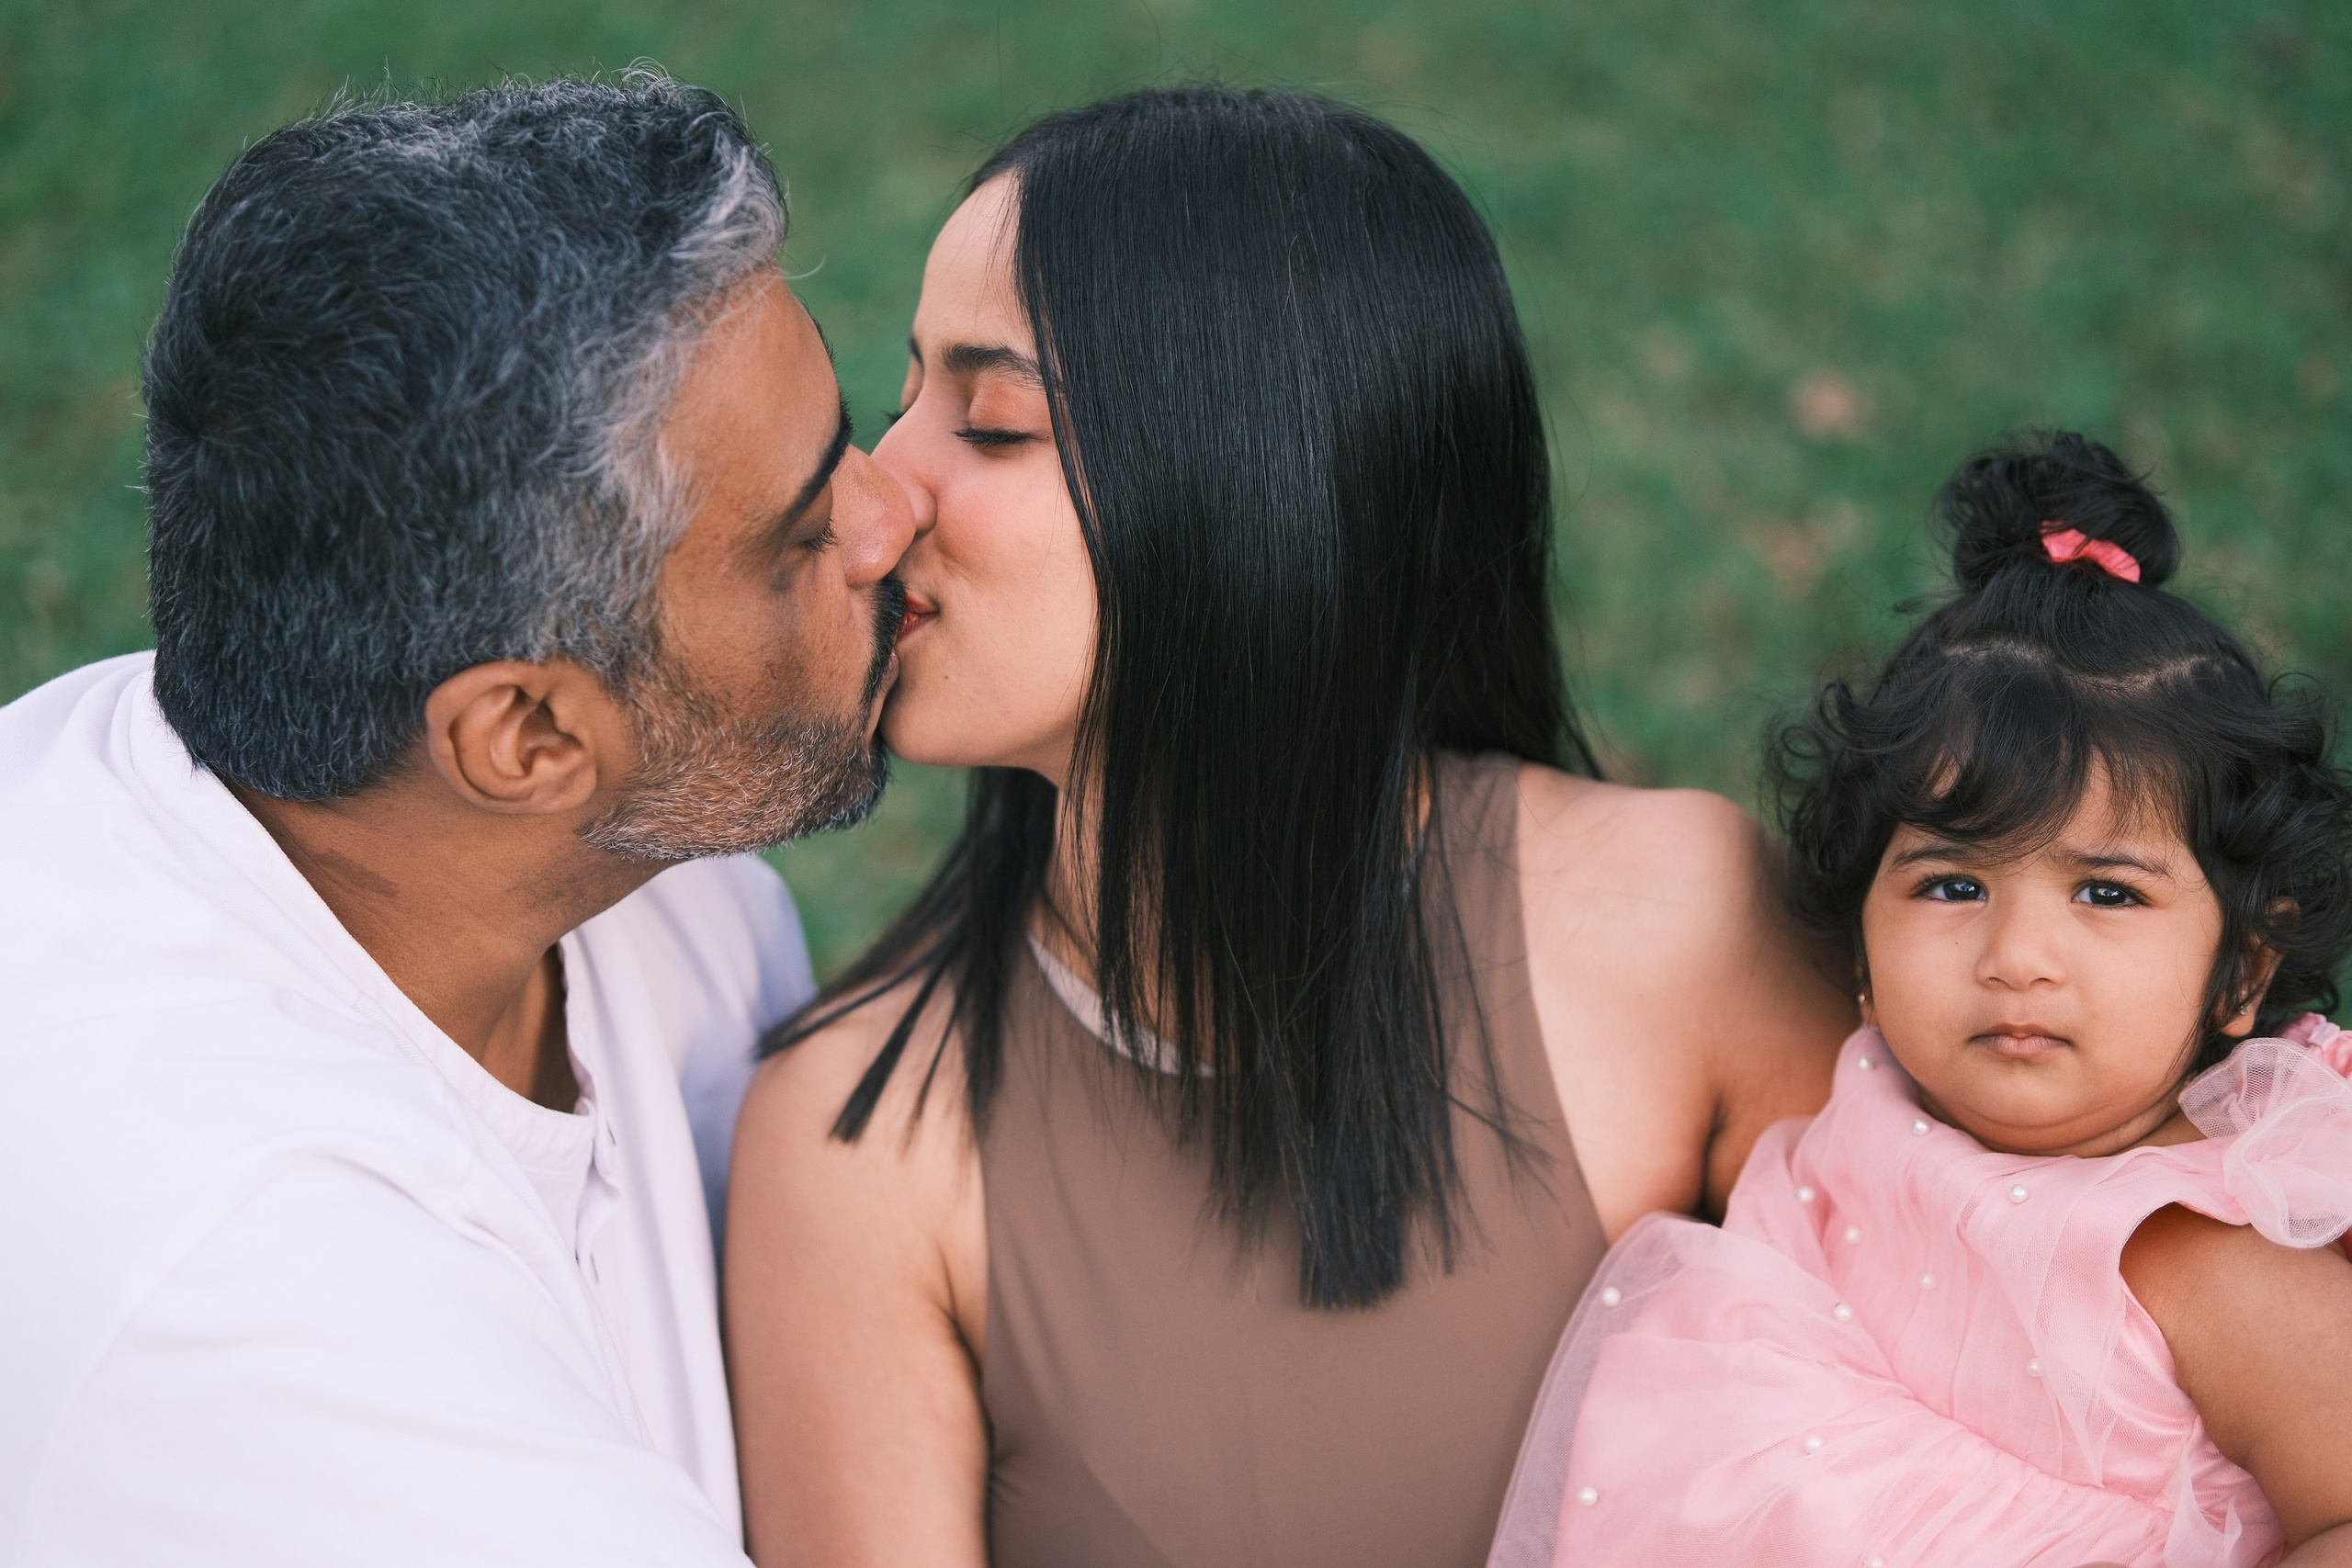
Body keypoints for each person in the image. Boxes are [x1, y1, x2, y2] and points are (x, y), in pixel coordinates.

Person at [726, 85, 1854, 1568]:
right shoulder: (858, 1135)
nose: (879, 488)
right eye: (907, 396)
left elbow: (1994, 1442)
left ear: (1260, 483)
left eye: (990, 420)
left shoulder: (1679, 928)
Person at [0, 75, 914, 1565]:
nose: (893, 522)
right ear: (526, 736)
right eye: (801, 534)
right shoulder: (246, 1283)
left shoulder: (650, 868)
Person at [1489, 434, 2352, 1568]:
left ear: (2240, 969)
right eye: (1952, 884)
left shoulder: (2205, 1259)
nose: (2016, 956)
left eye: (2105, 891)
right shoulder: (1853, 1112)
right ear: (1859, 932)